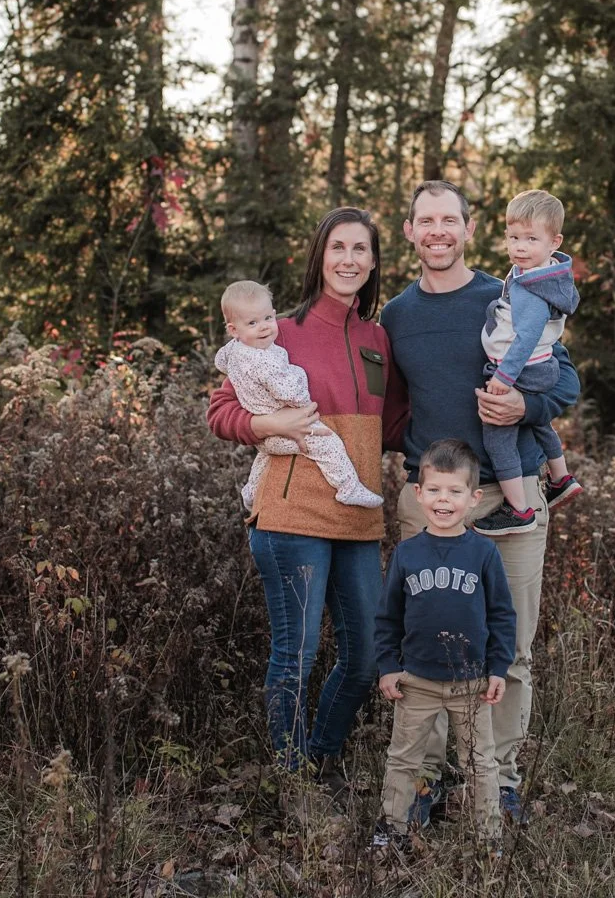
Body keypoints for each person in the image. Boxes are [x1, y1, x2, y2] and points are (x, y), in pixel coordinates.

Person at [379, 179, 580, 825]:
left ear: (468, 229)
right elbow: (384, 405)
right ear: (410, 232)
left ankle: (498, 779)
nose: (437, 231)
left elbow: (564, 380)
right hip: (428, 502)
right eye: (424, 221)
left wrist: (526, 404)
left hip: (508, 492)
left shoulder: (510, 291)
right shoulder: (397, 315)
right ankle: (427, 783)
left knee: (509, 647)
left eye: (450, 220)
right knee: (426, 644)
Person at [207, 208, 408, 802]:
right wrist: (269, 420)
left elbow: (394, 421)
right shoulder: (278, 330)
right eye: (337, 247)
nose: (349, 259)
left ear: (373, 262)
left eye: (361, 250)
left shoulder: (378, 339)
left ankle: (318, 759)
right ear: (320, 256)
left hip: (358, 514)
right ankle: (292, 781)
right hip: (291, 514)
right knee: (295, 652)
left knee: (368, 653)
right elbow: (221, 412)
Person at [371, 439, 514, 851]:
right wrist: (388, 665)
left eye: (454, 492)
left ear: (474, 498)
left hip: (471, 682)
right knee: (403, 759)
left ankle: (489, 838)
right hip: (416, 680)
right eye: (434, 490)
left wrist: (498, 668)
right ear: (419, 494)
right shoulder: (407, 554)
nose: (443, 501)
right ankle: (392, 830)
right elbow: (388, 617)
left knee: (481, 763)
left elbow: (503, 616)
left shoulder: (484, 554)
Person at [214, 279, 384, 511]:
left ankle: (251, 491)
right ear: (233, 330)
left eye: (267, 319)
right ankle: (348, 487)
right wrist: (300, 381)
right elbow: (291, 394)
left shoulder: (236, 349)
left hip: (266, 440)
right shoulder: (264, 359)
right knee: (328, 444)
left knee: (264, 456)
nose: (264, 327)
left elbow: (221, 360)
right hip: (288, 429)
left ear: (273, 314)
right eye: (252, 323)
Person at [474, 189, 584, 536]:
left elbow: (524, 339)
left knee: (497, 435)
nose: (520, 247)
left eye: (531, 239)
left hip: (523, 369)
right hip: (538, 367)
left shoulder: (533, 291)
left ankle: (519, 509)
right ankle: (562, 477)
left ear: (555, 242)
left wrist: (504, 378)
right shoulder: (538, 274)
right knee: (538, 423)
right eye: (514, 238)